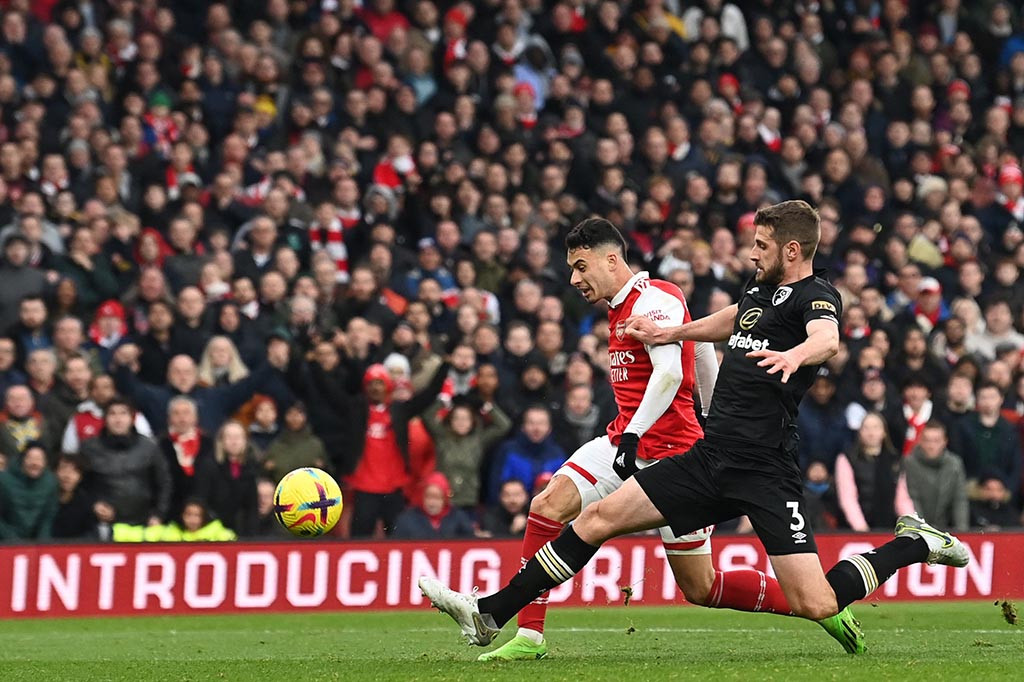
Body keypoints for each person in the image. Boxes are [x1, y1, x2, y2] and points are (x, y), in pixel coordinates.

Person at [420, 201, 969, 656]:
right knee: (598, 517)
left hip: (764, 469)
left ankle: (913, 544)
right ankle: (494, 612)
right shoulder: (759, 294)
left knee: (818, 601)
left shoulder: (816, 295)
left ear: (792, 250)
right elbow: (732, 318)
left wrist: (797, 354)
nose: (752, 253)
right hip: (710, 456)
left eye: (761, 245)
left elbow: (827, 337)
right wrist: (673, 334)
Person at [473, 216, 834, 664]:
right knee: (549, 505)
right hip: (625, 441)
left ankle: (824, 609)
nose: (574, 279)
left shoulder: (655, 298)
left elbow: (669, 371)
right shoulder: (635, 306)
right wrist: (709, 405)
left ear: (611, 259)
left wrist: (688, 420)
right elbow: (705, 342)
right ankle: (527, 633)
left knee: (701, 587)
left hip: (673, 450)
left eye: (581, 267)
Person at [80, 398, 172, 527]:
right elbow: (81, 485)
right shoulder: (89, 448)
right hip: (101, 524)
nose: (118, 419)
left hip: (143, 522)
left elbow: (164, 483)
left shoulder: (149, 447)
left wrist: (159, 515)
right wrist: (94, 504)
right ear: (105, 419)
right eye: (112, 414)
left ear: (132, 418)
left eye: (123, 413)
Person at [834, 413, 914, 531]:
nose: (871, 433)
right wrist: (863, 529)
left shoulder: (895, 460)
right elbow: (848, 499)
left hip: (888, 527)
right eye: (866, 428)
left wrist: (912, 527)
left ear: (884, 432)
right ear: (860, 432)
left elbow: (902, 499)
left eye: (876, 427)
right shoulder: (847, 459)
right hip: (855, 531)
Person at [903, 421, 970, 532]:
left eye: (936, 441)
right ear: (920, 441)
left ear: (945, 442)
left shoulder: (954, 464)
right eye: (927, 441)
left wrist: (962, 531)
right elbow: (912, 499)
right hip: (918, 530)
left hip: (946, 528)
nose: (931, 446)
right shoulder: (909, 463)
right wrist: (922, 531)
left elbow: (959, 499)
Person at [392, 472, 476, 539]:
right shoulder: (407, 519)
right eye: (428, 496)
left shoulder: (458, 517)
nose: (432, 502)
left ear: (444, 499)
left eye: (437, 497)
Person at [0, 442, 58, 540]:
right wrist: (12, 540)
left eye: (39, 459)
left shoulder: (51, 482)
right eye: (30, 458)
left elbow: (48, 516)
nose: (35, 463)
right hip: (6, 542)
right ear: (22, 459)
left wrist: (42, 542)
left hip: (36, 544)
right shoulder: (3, 480)